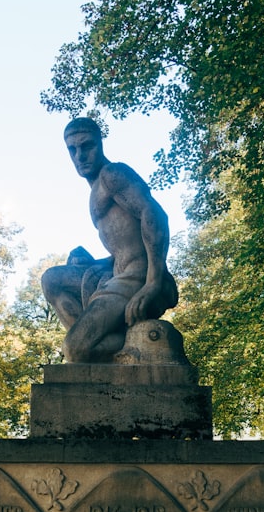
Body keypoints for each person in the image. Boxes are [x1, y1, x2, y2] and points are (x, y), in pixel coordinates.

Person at [42, 117, 178, 363]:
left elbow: (155, 215)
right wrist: (93, 264)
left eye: (87, 146)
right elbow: (125, 247)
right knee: (51, 280)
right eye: (72, 149)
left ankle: (127, 345)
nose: (80, 155)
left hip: (137, 277)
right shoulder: (95, 191)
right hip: (115, 274)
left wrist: (152, 283)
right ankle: (98, 339)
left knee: (75, 350)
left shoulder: (113, 174)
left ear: (100, 144)